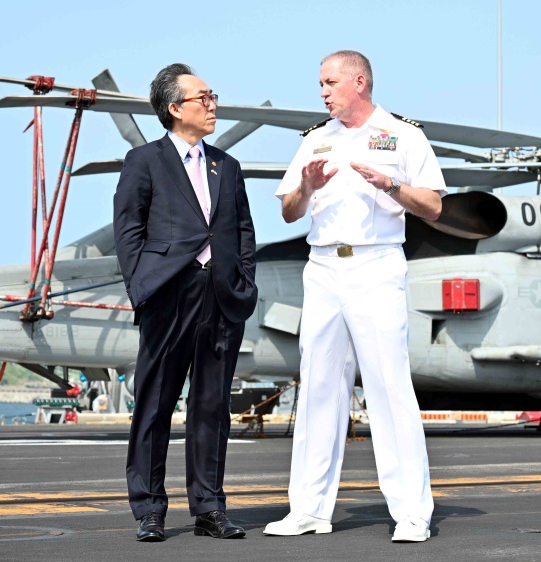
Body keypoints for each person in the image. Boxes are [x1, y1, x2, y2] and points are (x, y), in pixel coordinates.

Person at [263, 50, 445, 543]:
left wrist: (391, 184)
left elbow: (431, 206)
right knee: (319, 387)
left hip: (376, 263)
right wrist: (304, 186)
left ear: (358, 81)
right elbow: (288, 212)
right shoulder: (315, 140)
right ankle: (308, 509)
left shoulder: (403, 135)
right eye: (320, 83)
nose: (321, 91)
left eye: (329, 82)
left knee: (388, 387)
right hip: (322, 266)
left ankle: (411, 513)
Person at [113, 63, 258, 542]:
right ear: (175, 109)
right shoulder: (144, 161)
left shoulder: (227, 165)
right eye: (203, 97)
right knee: (155, 404)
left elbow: (243, 232)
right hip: (168, 295)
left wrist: (244, 283)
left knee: (212, 407)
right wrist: (142, 287)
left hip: (221, 297)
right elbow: (129, 229)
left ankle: (209, 508)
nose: (213, 104)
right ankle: (149, 509)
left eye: (213, 95)